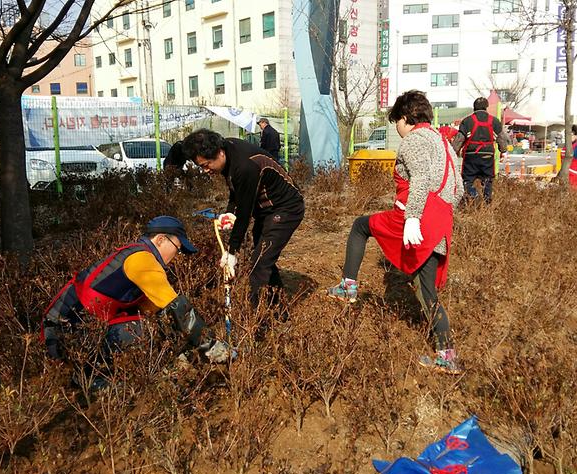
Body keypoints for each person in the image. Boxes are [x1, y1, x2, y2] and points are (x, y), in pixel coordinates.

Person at [326, 90, 464, 375]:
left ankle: (348, 286)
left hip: (417, 218)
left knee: (360, 227)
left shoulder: (414, 141)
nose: (397, 130)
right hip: (441, 220)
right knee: (424, 288)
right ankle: (446, 353)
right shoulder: (444, 142)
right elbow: (458, 188)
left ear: (405, 118)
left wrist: (412, 217)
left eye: (396, 123)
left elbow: (421, 179)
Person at [41, 215, 232, 390]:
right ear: (160, 240)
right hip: (66, 338)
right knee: (151, 330)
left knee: (158, 325)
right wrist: (213, 347)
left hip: (71, 335)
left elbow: (156, 310)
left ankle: (98, 375)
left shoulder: (134, 254)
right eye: (178, 249)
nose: (176, 258)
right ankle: (97, 381)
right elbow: (177, 308)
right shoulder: (143, 261)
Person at [182, 129, 304, 307]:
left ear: (219, 153)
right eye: (201, 166)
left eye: (206, 165)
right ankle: (277, 308)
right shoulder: (227, 151)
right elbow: (236, 189)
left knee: (259, 262)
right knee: (263, 256)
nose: (205, 171)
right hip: (264, 209)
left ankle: (257, 319)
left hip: (286, 208)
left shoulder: (245, 165)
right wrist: (230, 212)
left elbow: (245, 214)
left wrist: (232, 251)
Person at [451, 97, 509, 203]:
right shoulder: (494, 121)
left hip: (471, 156)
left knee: (467, 181)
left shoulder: (467, 121)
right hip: (487, 156)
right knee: (487, 181)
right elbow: (502, 139)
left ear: (474, 108)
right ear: (486, 107)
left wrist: (453, 152)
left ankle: (473, 195)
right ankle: (487, 203)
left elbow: (459, 140)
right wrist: (503, 150)